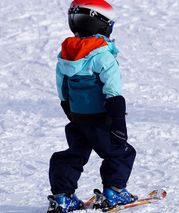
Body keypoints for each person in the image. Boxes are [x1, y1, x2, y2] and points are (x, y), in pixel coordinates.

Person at [47, 0, 136, 212]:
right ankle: (114, 191)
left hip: (77, 117)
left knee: (73, 154)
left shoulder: (66, 55)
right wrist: (118, 123)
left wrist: (69, 110)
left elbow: (62, 87)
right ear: (101, 24)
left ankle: (63, 196)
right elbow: (113, 92)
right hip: (102, 118)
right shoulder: (102, 55)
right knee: (121, 153)